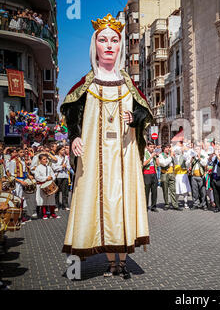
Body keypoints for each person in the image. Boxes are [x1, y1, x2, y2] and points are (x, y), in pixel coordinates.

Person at [60, 14, 151, 279]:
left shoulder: (128, 83)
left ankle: (120, 263)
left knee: (122, 204)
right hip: (93, 158)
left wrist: (134, 119)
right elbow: (72, 113)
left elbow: (145, 112)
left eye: (114, 40)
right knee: (99, 203)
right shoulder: (86, 84)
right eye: (103, 40)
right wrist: (74, 137)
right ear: (95, 45)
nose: (109, 45)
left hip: (124, 156)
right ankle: (110, 261)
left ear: (121, 46)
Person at [34, 154, 59, 220]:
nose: (46, 160)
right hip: (42, 185)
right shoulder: (38, 168)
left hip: (49, 185)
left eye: (46, 159)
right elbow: (37, 177)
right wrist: (46, 178)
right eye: (44, 159)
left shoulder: (49, 167)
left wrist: (52, 178)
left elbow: (53, 174)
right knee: (43, 200)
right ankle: (44, 214)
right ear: (40, 160)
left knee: (51, 200)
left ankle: (52, 213)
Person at [158, 144, 179, 211]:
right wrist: (171, 157)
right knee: (165, 190)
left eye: (169, 148)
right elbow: (163, 163)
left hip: (171, 173)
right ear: (163, 149)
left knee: (173, 190)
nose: (168, 149)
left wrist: (174, 157)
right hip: (165, 174)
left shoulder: (170, 155)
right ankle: (166, 204)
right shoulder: (161, 155)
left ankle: (175, 205)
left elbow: (176, 163)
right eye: (167, 148)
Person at [51, 145, 71, 211]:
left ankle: (65, 205)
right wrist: (61, 167)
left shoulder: (66, 158)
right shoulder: (55, 158)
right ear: (59, 151)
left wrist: (66, 166)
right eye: (62, 150)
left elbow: (69, 167)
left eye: (64, 149)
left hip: (65, 176)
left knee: (65, 192)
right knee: (57, 192)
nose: (64, 151)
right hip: (58, 176)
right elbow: (54, 167)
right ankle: (56, 206)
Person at [189, 145, 208, 210]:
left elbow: (204, 164)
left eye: (198, 149)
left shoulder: (203, 157)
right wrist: (191, 159)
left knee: (203, 191)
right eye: (195, 149)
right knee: (194, 191)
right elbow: (188, 165)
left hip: (201, 176)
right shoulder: (193, 157)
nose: (196, 151)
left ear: (200, 150)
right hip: (194, 176)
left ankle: (204, 204)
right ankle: (195, 204)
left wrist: (199, 158)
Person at [143, 141, 159, 211]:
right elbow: (144, 164)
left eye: (153, 147)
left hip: (154, 173)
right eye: (151, 147)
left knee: (154, 191)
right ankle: (145, 206)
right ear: (147, 147)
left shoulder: (154, 154)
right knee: (146, 191)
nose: (152, 148)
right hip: (147, 174)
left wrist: (157, 156)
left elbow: (158, 164)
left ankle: (153, 206)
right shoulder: (144, 153)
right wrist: (151, 157)